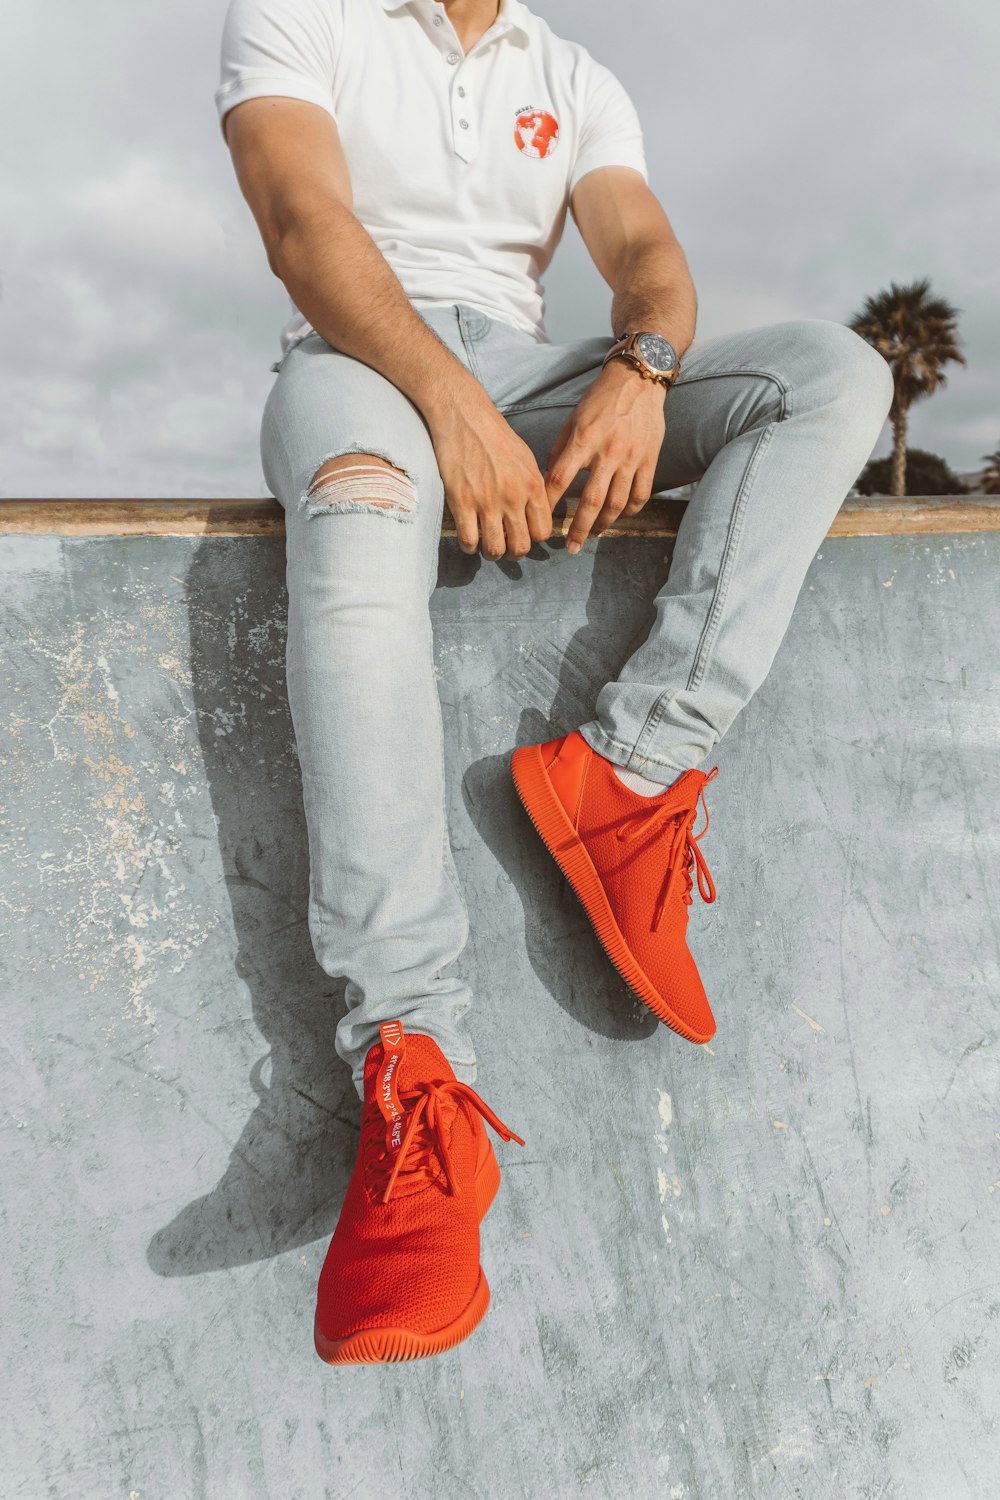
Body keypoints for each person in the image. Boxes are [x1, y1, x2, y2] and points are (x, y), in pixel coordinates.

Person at [214, 0, 894, 1365]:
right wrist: (450, 416)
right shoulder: (297, 15)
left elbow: (641, 251)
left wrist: (641, 370)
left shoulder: (570, 73)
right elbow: (303, 229)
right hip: (358, 367)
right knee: (352, 526)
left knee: (831, 374)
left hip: (529, 369)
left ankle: (631, 773)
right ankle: (415, 1070)